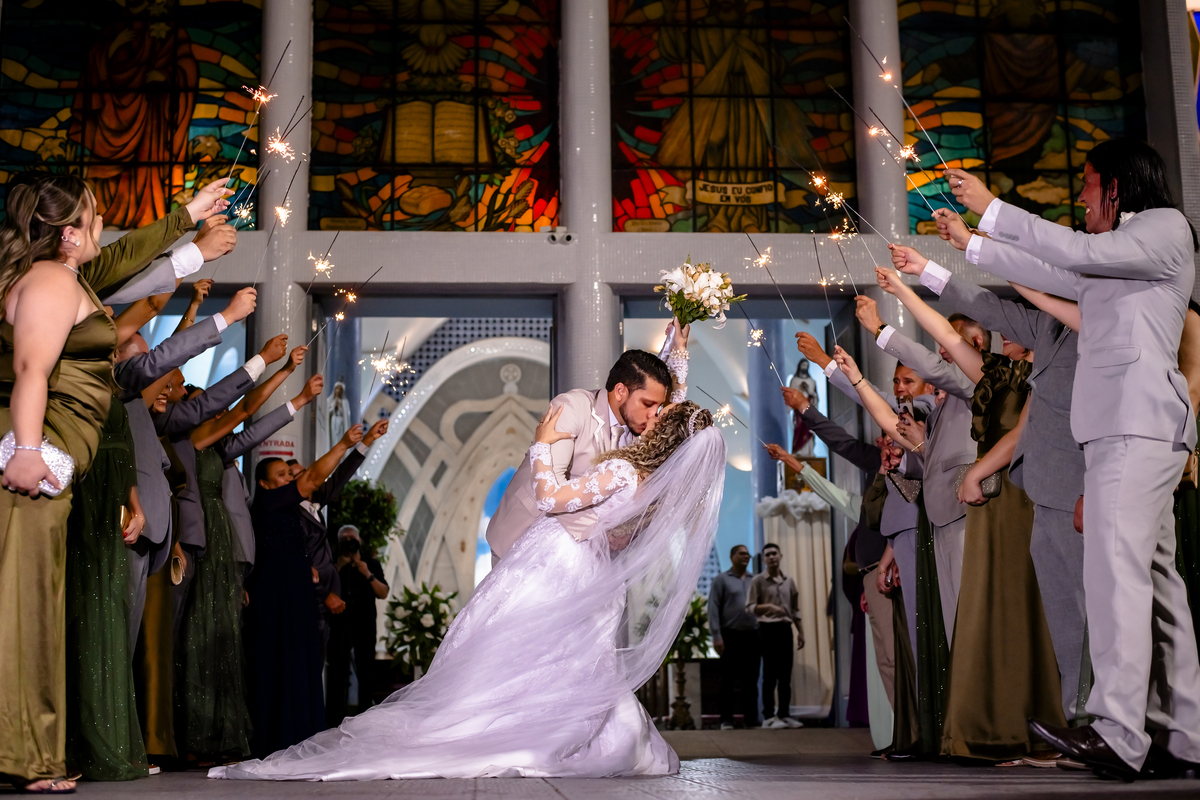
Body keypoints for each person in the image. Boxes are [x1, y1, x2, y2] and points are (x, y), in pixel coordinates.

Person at [213, 400, 724, 780]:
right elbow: (616, 534)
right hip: (593, 575)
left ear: (667, 435)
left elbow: (551, 497)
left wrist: (543, 443)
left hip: (557, 561)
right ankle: (575, 732)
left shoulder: (621, 470)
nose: (652, 418)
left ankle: (493, 729)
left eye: (663, 416)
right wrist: (678, 334)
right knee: (569, 661)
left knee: (506, 648)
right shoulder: (654, 491)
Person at [939, 138, 1200, 778]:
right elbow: (1059, 277)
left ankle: (1119, 733)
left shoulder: (1163, 228)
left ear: (1117, 185)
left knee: (1115, 576)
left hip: (1137, 424)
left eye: (1087, 185)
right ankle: (1187, 735)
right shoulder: (1117, 260)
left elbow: (1079, 255)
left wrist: (995, 209)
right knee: (1159, 586)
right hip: (1117, 428)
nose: (1081, 197)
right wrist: (973, 245)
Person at [0, 174, 229, 793]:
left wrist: (188, 214)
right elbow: (31, 368)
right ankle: (26, 756)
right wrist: (23, 449)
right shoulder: (51, 279)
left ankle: (32, 753)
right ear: (69, 233)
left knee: (39, 603)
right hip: (36, 453)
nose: (106, 225)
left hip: (60, 454)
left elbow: (129, 258)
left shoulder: (67, 274)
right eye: (95, 216)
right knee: (27, 606)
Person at [870, 264, 1065, 763]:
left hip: (1024, 498)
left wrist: (978, 472)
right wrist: (896, 304)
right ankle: (998, 723)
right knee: (988, 618)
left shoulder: (1053, 374)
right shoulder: (1000, 375)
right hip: (992, 510)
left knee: (1031, 614)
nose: (1005, 332)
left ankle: (1051, 721)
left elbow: (1021, 433)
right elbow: (940, 343)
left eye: (1014, 327)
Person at [486, 320, 690, 563]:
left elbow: (670, 419)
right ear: (621, 391)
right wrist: (602, 529)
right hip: (521, 540)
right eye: (647, 405)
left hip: (579, 556)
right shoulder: (571, 408)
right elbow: (551, 492)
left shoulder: (640, 428)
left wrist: (678, 346)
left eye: (657, 408)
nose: (652, 415)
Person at [243, 419, 389, 757]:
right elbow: (312, 479)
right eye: (283, 475)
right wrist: (342, 443)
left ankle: (303, 731)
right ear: (265, 485)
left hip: (297, 593)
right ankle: (279, 734)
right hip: (277, 593)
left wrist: (362, 444)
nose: (291, 479)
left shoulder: (294, 507)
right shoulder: (268, 504)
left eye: (290, 475)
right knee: (280, 662)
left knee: (303, 663)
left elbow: (330, 481)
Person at [853, 297, 983, 646]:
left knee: (964, 620)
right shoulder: (938, 409)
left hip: (966, 514)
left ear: (977, 345)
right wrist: (854, 378)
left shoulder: (975, 389)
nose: (942, 351)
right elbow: (902, 432)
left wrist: (881, 326)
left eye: (950, 342)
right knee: (937, 626)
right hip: (937, 517)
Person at [771, 389, 896, 710]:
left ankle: (912, 733)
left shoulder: (903, 471)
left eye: (888, 435)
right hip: (873, 576)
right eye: (880, 436)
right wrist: (792, 461)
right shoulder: (877, 475)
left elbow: (844, 446)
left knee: (894, 657)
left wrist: (805, 408)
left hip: (891, 571)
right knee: (884, 660)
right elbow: (840, 496)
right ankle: (901, 732)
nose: (881, 442)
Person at [326, 525, 390, 726]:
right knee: (337, 673)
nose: (349, 541)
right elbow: (325, 589)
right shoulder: (333, 565)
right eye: (344, 538)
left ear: (359, 541)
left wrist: (367, 573)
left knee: (366, 673)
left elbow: (383, 592)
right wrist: (340, 565)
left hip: (365, 625)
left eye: (352, 538)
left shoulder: (371, 564)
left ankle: (365, 719)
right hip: (340, 627)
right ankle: (334, 720)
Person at [746, 543, 804, 730]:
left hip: (785, 629)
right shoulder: (758, 581)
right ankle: (769, 716)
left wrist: (801, 632)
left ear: (780, 555)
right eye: (767, 555)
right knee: (769, 675)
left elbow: (795, 610)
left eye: (774, 553)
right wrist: (769, 608)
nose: (771, 557)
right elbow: (750, 607)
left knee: (785, 675)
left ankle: (785, 714)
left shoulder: (789, 581)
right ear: (763, 559)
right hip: (767, 630)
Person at [706, 544, 759, 730]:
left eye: (748, 554)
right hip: (730, 635)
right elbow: (713, 609)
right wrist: (717, 636)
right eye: (742, 554)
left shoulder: (755, 580)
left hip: (752, 636)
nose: (747, 556)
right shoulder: (721, 580)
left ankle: (751, 720)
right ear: (732, 556)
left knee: (750, 680)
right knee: (727, 680)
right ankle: (726, 720)